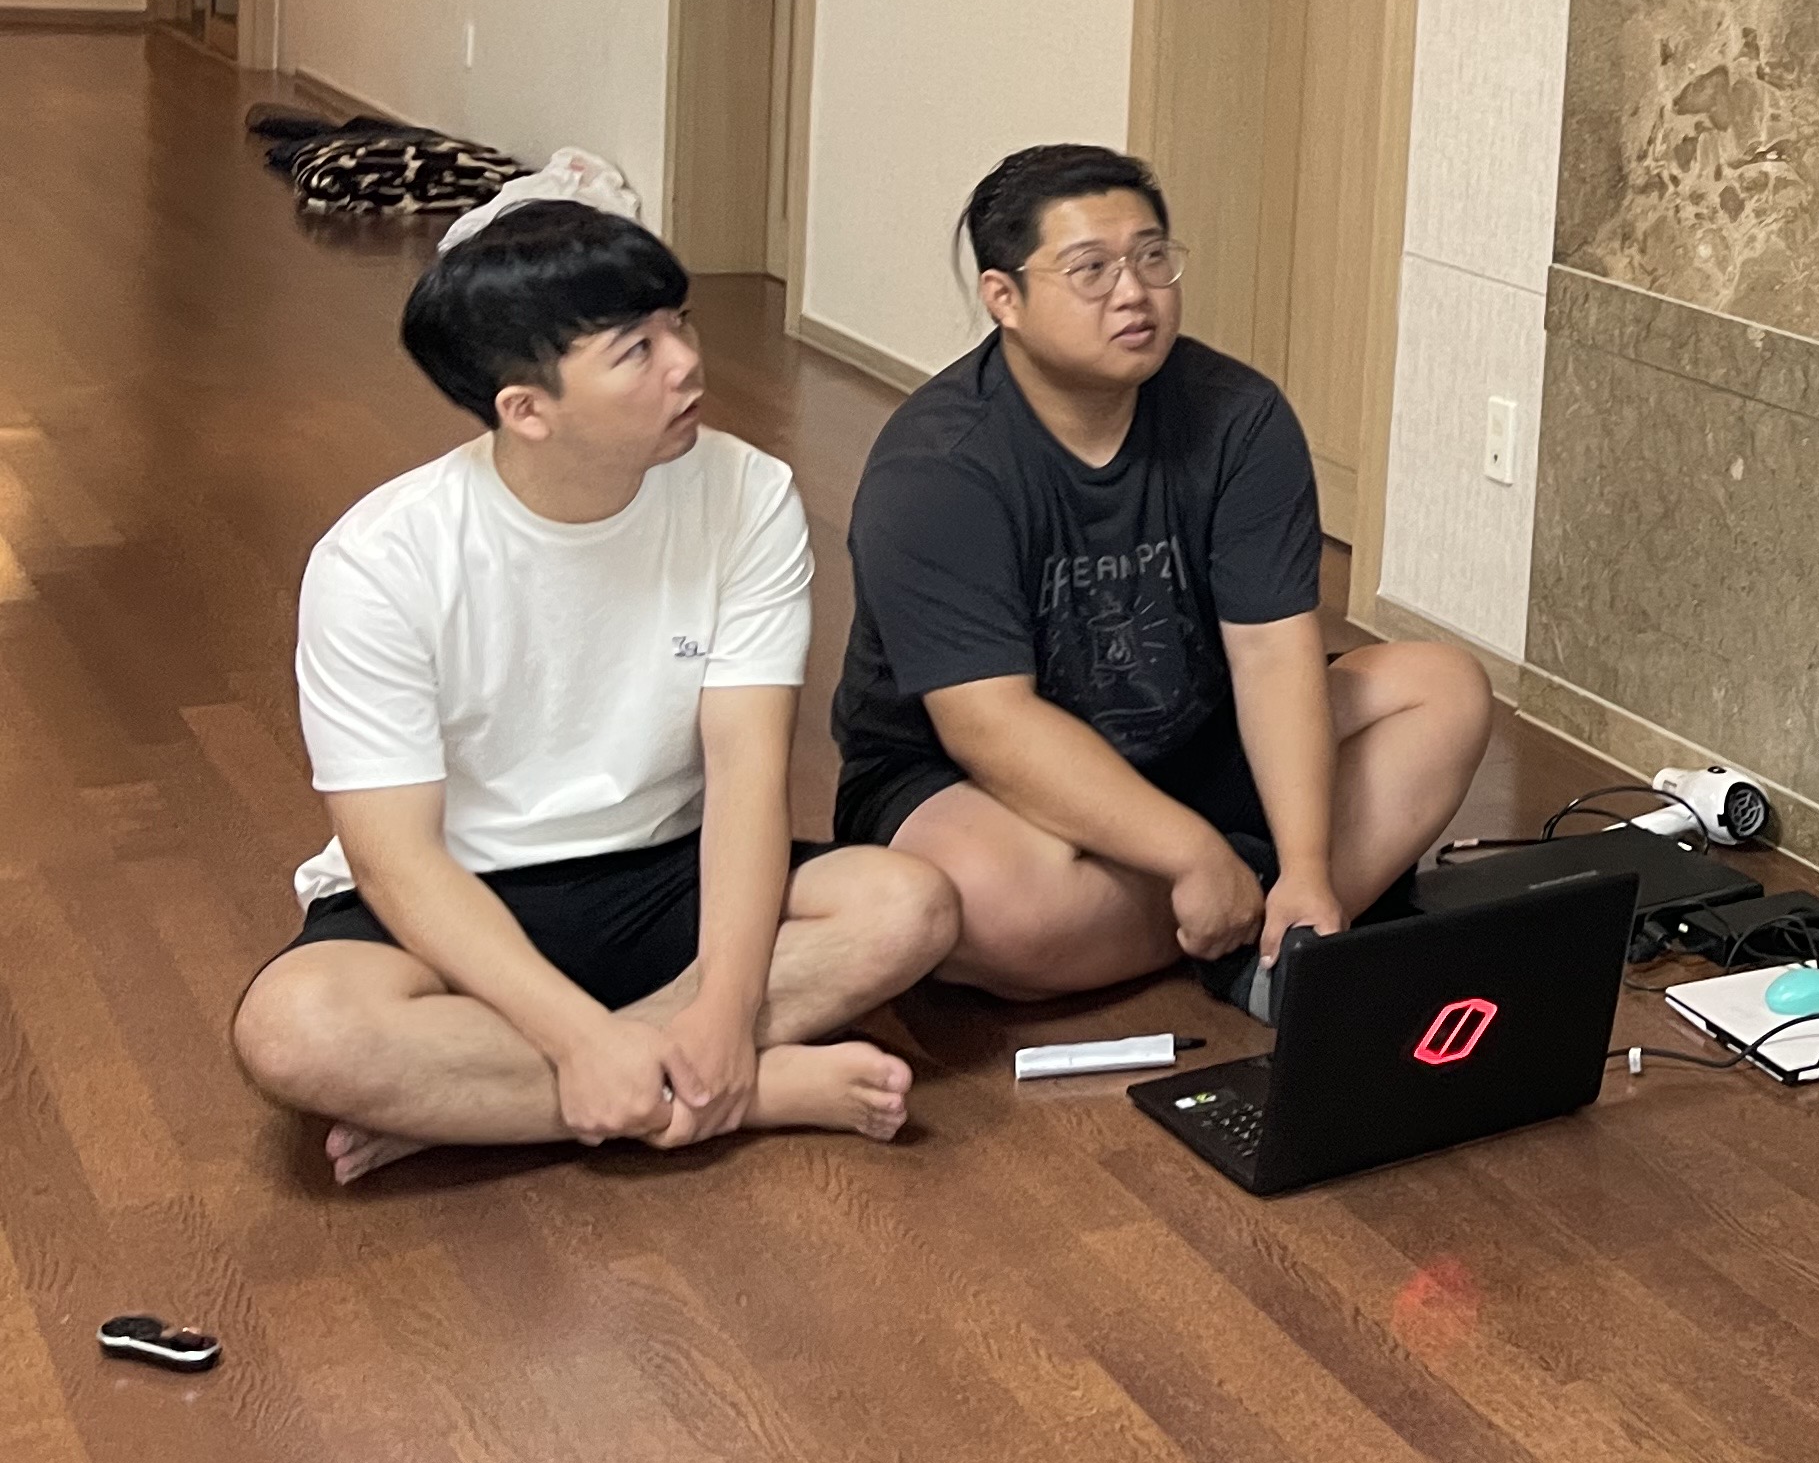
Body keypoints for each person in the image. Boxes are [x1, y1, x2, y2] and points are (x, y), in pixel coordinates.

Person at [230, 208, 958, 1185]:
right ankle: (742, 1095)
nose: (686, 362)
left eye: (679, 322)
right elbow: (394, 860)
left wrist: (725, 1010)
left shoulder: (747, 496)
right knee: (294, 1029)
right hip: (461, 891)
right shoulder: (381, 561)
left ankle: (498, 1104)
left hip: (662, 870)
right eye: (636, 350)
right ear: (528, 409)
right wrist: (576, 1038)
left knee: (908, 905)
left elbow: (747, 775)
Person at [828, 146, 1493, 1001]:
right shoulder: (939, 466)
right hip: (972, 780)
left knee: (1442, 691)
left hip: (1194, 742)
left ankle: (1271, 922)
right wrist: (1192, 853)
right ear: (1004, 298)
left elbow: (1272, 655)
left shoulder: (1239, 418)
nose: (1133, 292)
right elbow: (989, 725)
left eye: (1151, 257)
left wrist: (1307, 862)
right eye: (1091, 270)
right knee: (987, 901)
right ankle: (1241, 923)